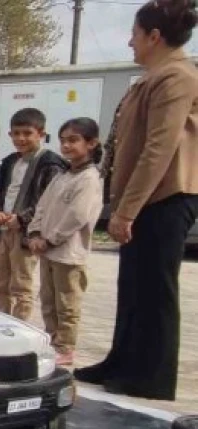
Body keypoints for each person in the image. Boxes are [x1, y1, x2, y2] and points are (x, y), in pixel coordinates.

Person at [75, 0, 198, 400]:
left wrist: (126, 209)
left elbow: (159, 148)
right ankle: (122, 361)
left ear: (154, 36)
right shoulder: (154, 76)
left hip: (165, 196)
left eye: (134, 33)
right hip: (142, 197)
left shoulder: (177, 76)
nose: (130, 41)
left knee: (155, 289)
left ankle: (152, 377)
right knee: (132, 284)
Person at [24, 118, 103, 367]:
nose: (66, 145)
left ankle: (65, 346)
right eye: (63, 140)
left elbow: (78, 215)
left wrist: (51, 238)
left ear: (91, 143)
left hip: (69, 253)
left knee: (67, 302)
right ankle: (52, 338)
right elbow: (42, 205)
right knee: (48, 299)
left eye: (73, 140)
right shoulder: (63, 175)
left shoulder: (89, 178)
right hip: (47, 250)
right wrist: (35, 233)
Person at [0, 107, 68, 320]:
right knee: (0, 282)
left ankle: (20, 327)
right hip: (3, 231)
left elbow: (48, 201)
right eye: (16, 133)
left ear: (41, 133)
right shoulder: (10, 161)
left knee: (21, 285)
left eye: (27, 133)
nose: (21, 138)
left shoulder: (50, 164)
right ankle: (1, 322)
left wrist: (21, 219)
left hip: (26, 234)